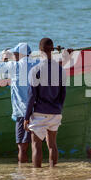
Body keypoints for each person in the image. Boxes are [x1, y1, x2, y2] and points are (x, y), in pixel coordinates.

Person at [23, 38, 67, 168]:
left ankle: (37, 177)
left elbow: (32, 96)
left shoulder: (35, 70)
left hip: (39, 113)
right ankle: (53, 173)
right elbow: (63, 94)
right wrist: (59, 108)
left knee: (36, 145)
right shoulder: (60, 70)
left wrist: (26, 117)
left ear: (40, 50)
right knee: (52, 144)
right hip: (55, 112)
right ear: (52, 50)